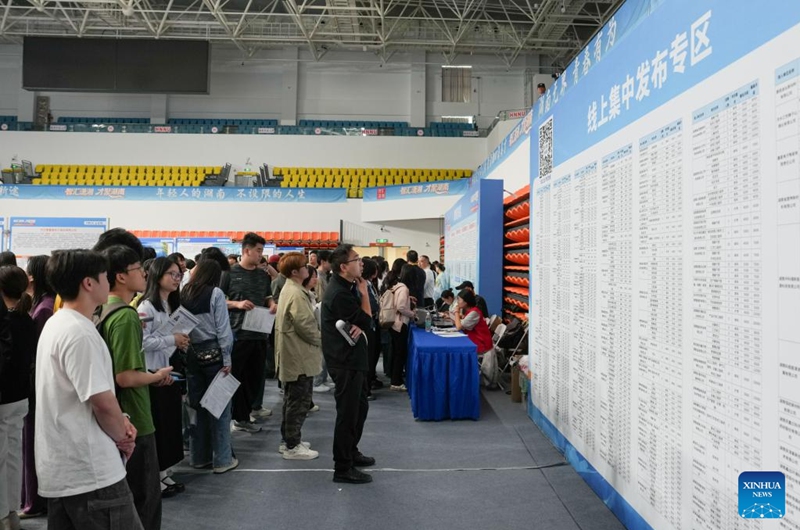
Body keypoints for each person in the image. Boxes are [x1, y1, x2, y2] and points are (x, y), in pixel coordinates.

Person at [35, 250, 141, 530]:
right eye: (106, 277)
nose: (109, 283)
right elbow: (102, 402)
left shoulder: (57, 323)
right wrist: (123, 436)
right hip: (91, 471)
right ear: (89, 283)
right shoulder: (80, 332)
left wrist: (122, 420)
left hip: (64, 470)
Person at [101, 245, 172, 530]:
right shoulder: (127, 316)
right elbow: (126, 377)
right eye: (136, 269)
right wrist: (156, 377)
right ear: (119, 276)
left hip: (121, 415)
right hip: (136, 418)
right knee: (145, 500)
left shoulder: (104, 311)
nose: (144, 273)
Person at [320, 245, 375, 484]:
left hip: (353, 359)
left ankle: (351, 451)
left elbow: (365, 320)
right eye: (356, 259)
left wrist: (362, 317)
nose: (360, 263)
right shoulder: (340, 293)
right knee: (347, 413)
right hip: (344, 361)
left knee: (359, 409)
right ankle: (342, 467)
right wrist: (364, 297)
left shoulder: (348, 286)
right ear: (344, 267)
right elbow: (367, 320)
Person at [137, 258, 189, 498]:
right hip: (151, 374)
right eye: (172, 274)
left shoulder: (170, 305)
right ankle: (155, 476)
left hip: (167, 369)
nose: (177, 279)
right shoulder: (146, 307)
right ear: (157, 276)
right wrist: (172, 340)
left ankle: (164, 471)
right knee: (158, 425)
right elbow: (143, 342)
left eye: (179, 274)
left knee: (169, 425)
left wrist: (179, 341)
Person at [181, 260, 237, 474]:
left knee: (197, 407)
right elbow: (223, 330)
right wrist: (227, 359)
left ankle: (198, 457)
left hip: (192, 354)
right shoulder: (216, 294)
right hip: (215, 355)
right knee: (220, 408)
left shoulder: (185, 292)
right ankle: (222, 459)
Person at [221, 232, 277, 432]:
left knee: (255, 377)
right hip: (238, 334)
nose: (261, 255)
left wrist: (272, 304)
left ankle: (248, 411)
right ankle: (240, 417)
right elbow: (218, 302)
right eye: (258, 251)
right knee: (237, 377)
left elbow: (268, 296)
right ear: (246, 250)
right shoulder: (228, 274)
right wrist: (236, 303)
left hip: (260, 332)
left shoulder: (263, 275)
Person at [274, 253, 322, 460]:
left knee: (291, 400)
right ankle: (292, 445)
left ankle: (289, 441)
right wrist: (323, 340)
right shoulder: (295, 293)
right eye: (304, 266)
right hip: (298, 355)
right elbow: (306, 326)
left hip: (293, 353)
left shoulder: (291, 288)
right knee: (299, 402)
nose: (308, 268)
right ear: (295, 272)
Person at [18, 256, 54, 519]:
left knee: (31, 446)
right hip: (34, 387)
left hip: (34, 389)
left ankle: (34, 501)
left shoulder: (44, 309)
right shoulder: (42, 304)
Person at [0, 267, 36, 530]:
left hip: (4, 399)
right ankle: (11, 512)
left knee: (3, 460)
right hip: (20, 398)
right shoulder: (27, 320)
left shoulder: (6, 321)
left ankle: (3, 515)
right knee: (12, 458)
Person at [386, 265, 416, 391]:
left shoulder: (397, 286)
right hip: (399, 324)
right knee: (400, 353)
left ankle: (394, 376)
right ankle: (396, 381)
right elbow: (401, 307)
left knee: (396, 352)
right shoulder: (403, 288)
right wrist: (412, 314)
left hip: (393, 324)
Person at [361, 259, 381, 396]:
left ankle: (370, 382)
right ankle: (366, 389)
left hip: (373, 322)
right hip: (368, 324)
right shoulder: (363, 285)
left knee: (373, 355)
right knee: (368, 356)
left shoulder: (368, 284)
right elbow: (373, 305)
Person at [452, 289, 493, 356]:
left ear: (466, 302)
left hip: (480, 342)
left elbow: (459, 327)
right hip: (473, 338)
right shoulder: (469, 310)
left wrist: (456, 312)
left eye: (459, 300)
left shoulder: (474, 313)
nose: (457, 302)